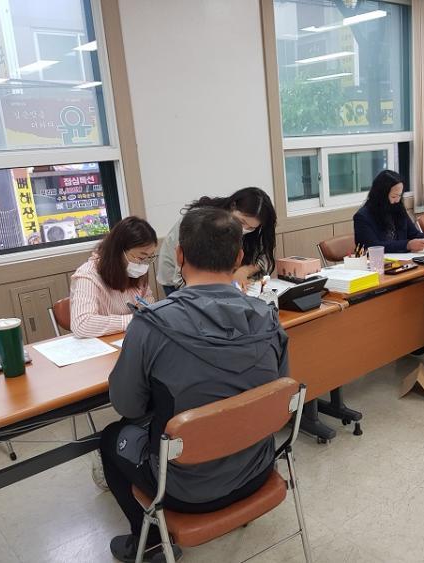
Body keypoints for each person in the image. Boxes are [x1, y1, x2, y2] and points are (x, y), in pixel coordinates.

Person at [101, 207, 289, 562]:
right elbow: (276, 394)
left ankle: (147, 541)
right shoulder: (268, 318)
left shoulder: (150, 325)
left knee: (112, 437)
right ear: (239, 257)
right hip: (257, 470)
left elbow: (128, 406)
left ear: (179, 255)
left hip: (185, 491)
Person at [156, 187, 277, 295]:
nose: (244, 229)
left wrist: (245, 270)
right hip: (179, 278)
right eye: (241, 221)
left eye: (251, 228)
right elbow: (182, 278)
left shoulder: (253, 231)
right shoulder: (201, 221)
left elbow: (265, 257)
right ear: (233, 206)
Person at [70, 217, 157, 338]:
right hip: (101, 343)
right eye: (141, 258)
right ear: (119, 251)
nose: (144, 264)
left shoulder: (135, 271)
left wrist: (144, 311)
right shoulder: (88, 275)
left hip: (129, 337)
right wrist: (135, 319)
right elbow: (82, 324)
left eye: (150, 257)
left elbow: (148, 300)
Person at [353, 169, 424, 253]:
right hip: (379, 260)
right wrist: (407, 245)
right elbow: (373, 246)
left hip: (404, 257)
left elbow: (414, 234)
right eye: (394, 197)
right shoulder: (362, 217)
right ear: (381, 195)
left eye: (400, 195)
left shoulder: (397, 207)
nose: (397, 200)